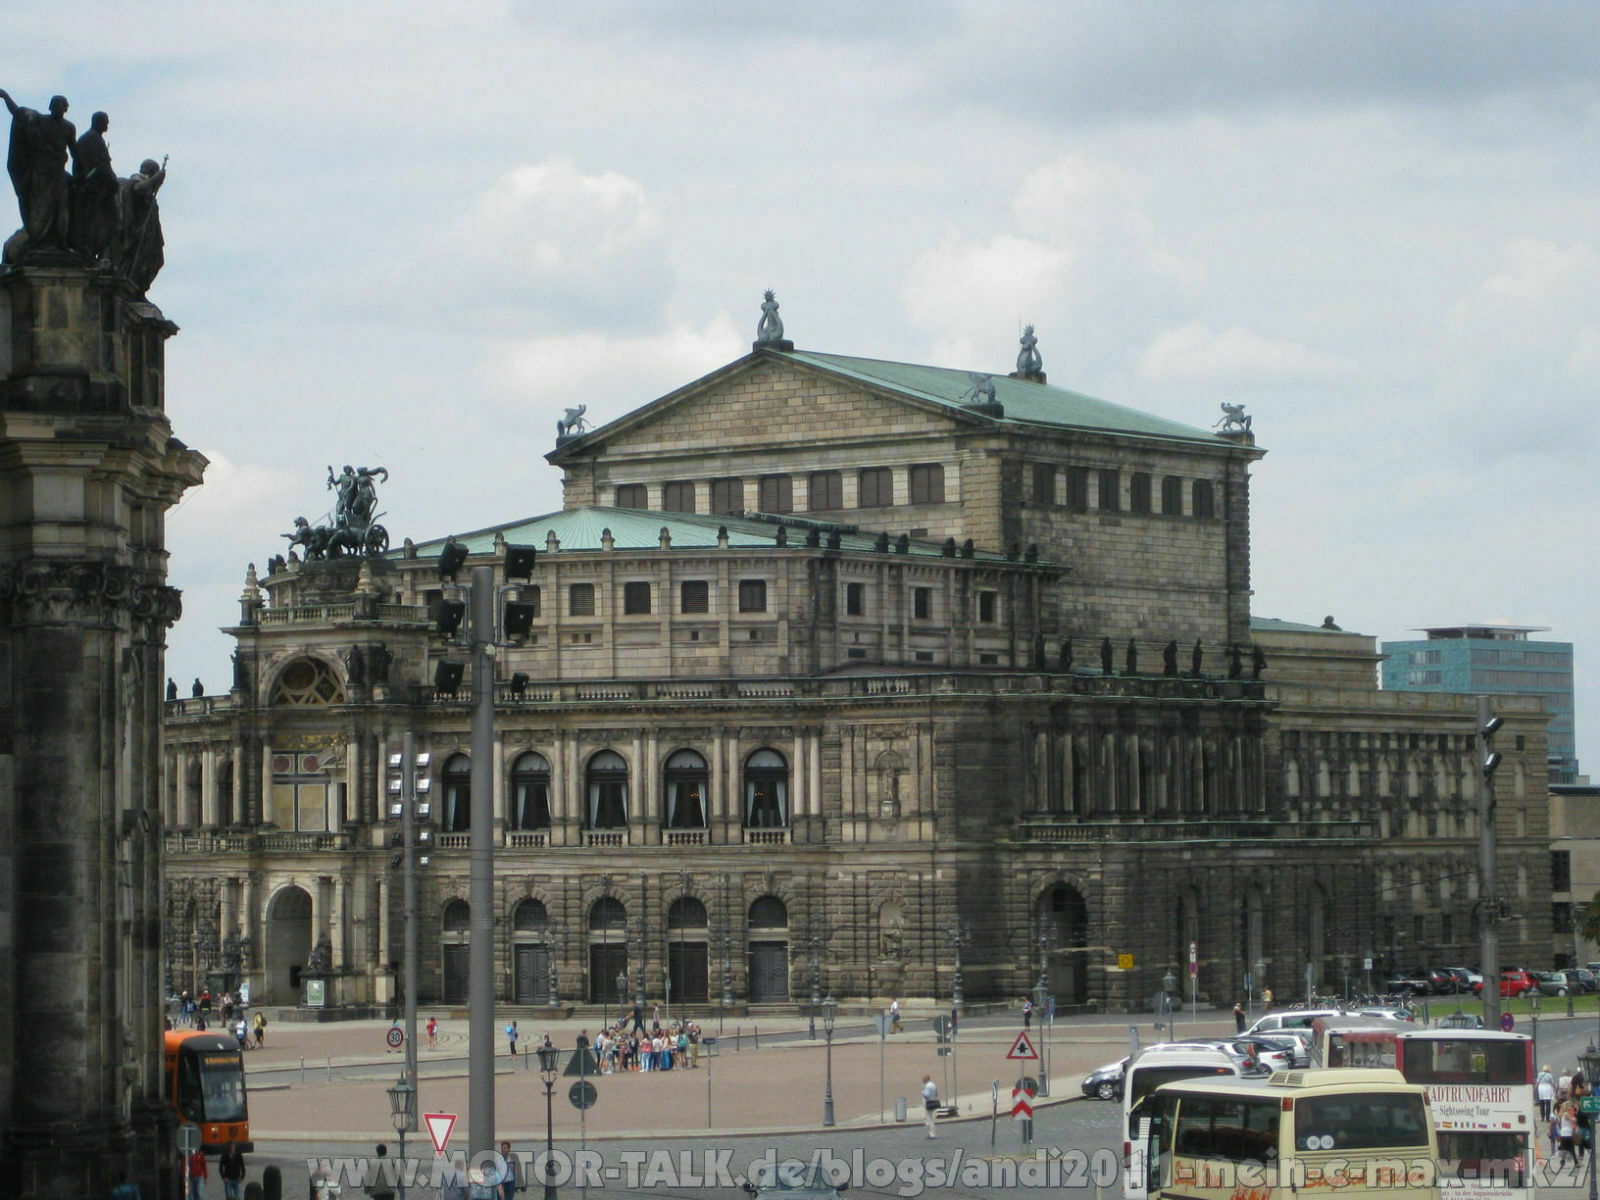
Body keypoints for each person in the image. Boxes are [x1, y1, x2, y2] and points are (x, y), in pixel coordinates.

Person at [0, 90, 75, 251]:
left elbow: (75, 152)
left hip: (58, 174)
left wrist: (83, 172)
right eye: (55, 105)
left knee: (64, 206)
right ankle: (37, 239)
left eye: (61, 105)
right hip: (39, 174)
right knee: (38, 208)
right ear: (50, 107)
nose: (58, 108)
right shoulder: (39, 121)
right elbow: (19, 113)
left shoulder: (69, 128)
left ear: (65, 109)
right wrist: (6, 97)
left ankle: (63, 240)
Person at [921, 1074, 940, 1138]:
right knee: (931, 1117)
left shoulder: (927, 1086)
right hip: (934, 1101)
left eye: (923, 1079)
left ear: (927, 1079)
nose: (922, 1080)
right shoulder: (933, 1085)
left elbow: (927, 1095)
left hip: (929, 1103)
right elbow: (936, 1094)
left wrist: (922, 1092)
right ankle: (931, 1130)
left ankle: (932, 1133)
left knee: (929, 1119)